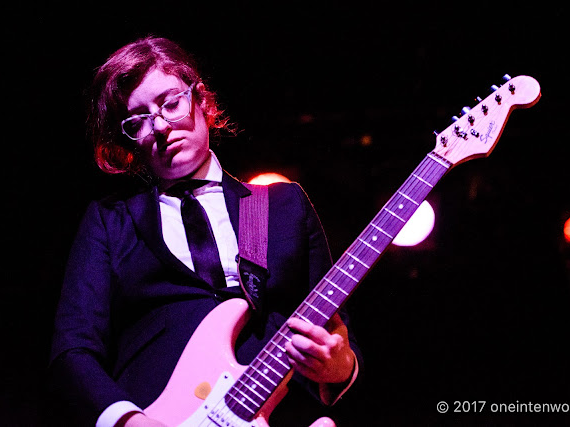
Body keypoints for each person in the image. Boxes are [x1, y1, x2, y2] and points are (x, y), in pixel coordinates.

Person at [49, 36, 361, 427]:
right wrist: (129, 420)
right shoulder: (110, 220)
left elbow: (336, 330)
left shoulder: (283, 205)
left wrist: (339, 366)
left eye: (171, 103)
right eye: (138, 120)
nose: (160, 126)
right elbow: (74, 349)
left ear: (203, 101)